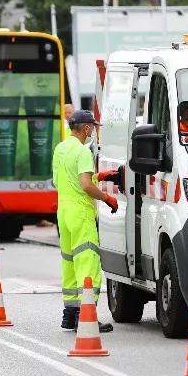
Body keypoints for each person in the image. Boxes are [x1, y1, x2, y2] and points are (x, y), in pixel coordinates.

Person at [53, 109, 118, 331]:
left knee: (69, 263)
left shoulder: (60, 148)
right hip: (81, 214)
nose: (94, 131)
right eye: (93, 127)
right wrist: (107, 198)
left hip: (64, 214)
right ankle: (87, 315)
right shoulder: (82, 152)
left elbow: (61, 180)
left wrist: (99, 175)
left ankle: (70, 315)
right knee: (88, 263)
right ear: (87, 128)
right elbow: (85, 186)